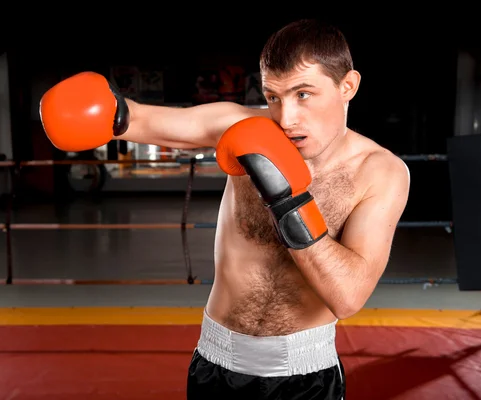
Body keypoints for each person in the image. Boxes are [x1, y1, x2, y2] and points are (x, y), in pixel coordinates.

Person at [39, 18, 410, 400]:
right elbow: (143, 119)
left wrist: (287, 201)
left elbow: (348, 297)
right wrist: (109, 111)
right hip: (216, 363)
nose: (286, 119)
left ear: (347, 86)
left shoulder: (380, 172)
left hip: (306, 375)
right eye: (273, 97)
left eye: (303, 94)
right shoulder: (242, 125)